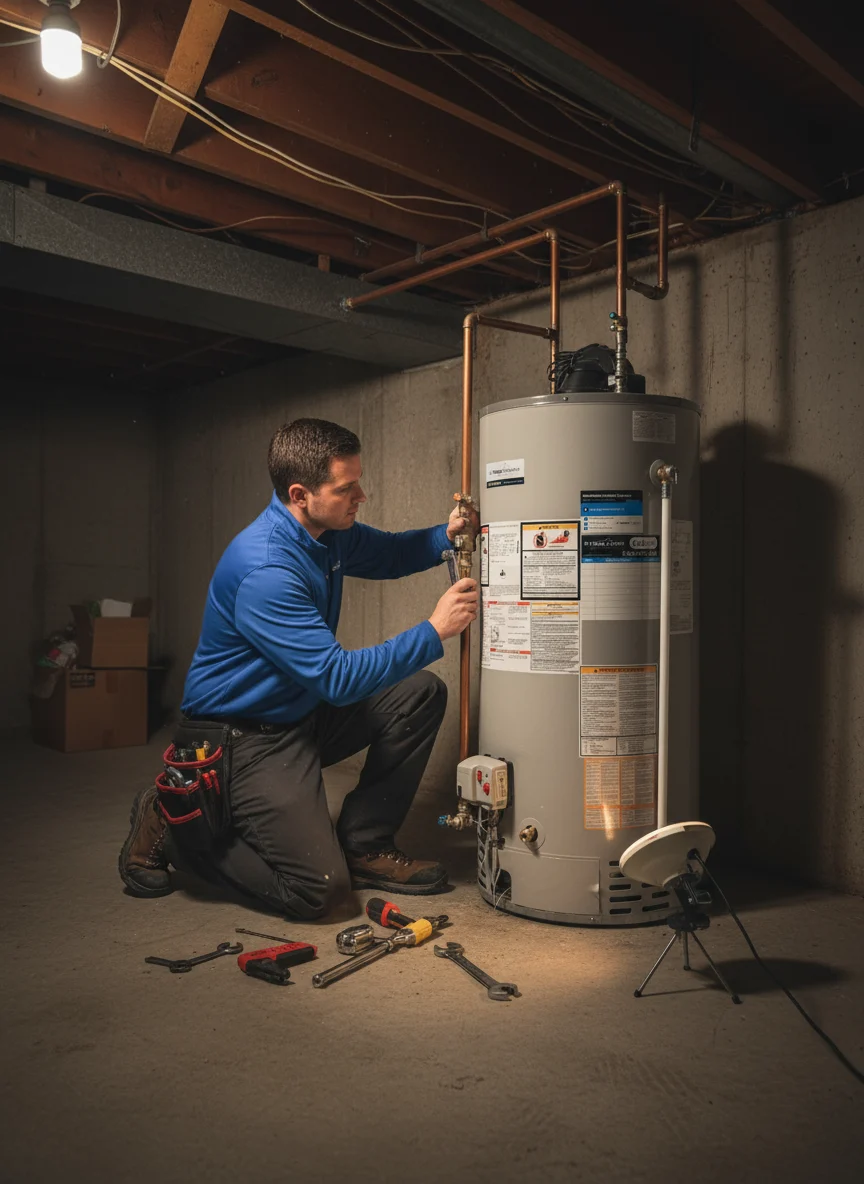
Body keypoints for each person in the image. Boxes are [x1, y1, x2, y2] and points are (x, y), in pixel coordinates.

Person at [118, 418, 479, 919]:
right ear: (300, 494)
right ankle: (177, 822)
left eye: (358, 481)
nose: (362, 495)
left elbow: (392, 552)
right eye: (346, 487)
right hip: (242, 738)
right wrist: (434, 630)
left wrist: (447, 533)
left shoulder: (328, 532)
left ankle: (365, 844)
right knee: (322, 894)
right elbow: (337, 678)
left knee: (418, 693)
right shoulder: (266, 569)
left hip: (299, 710)